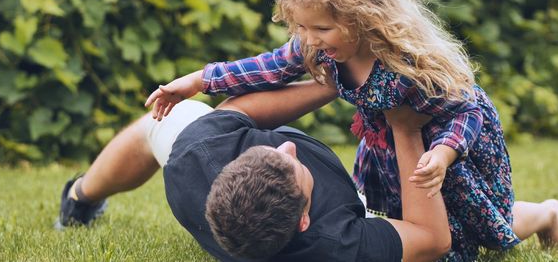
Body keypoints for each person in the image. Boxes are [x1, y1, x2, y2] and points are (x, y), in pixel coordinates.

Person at [144, 0, 558, 261]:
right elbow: (266, 67)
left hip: (441, 148)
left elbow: (467, 110)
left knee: (479, 225)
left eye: (320, 28)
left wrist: (446, 153)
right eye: (301, 27)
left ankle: (546, 214)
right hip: (393, 147)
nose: (308, 40)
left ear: (363, 14)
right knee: (421, 232)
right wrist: (200, 81)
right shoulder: (318, 45)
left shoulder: (407, 61)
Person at [57, 81, 455, 261]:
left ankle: (80, 196)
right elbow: (433, 239)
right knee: (470, 220)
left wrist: (339, 84)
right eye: (292, 164)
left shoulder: (199, 162)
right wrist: (405, 128)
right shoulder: (334, 244)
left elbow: (244, 109)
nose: (288, 145)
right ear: (304, 219)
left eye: (272, 152)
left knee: (158, 126)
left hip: (197, 161)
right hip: (351, 208)